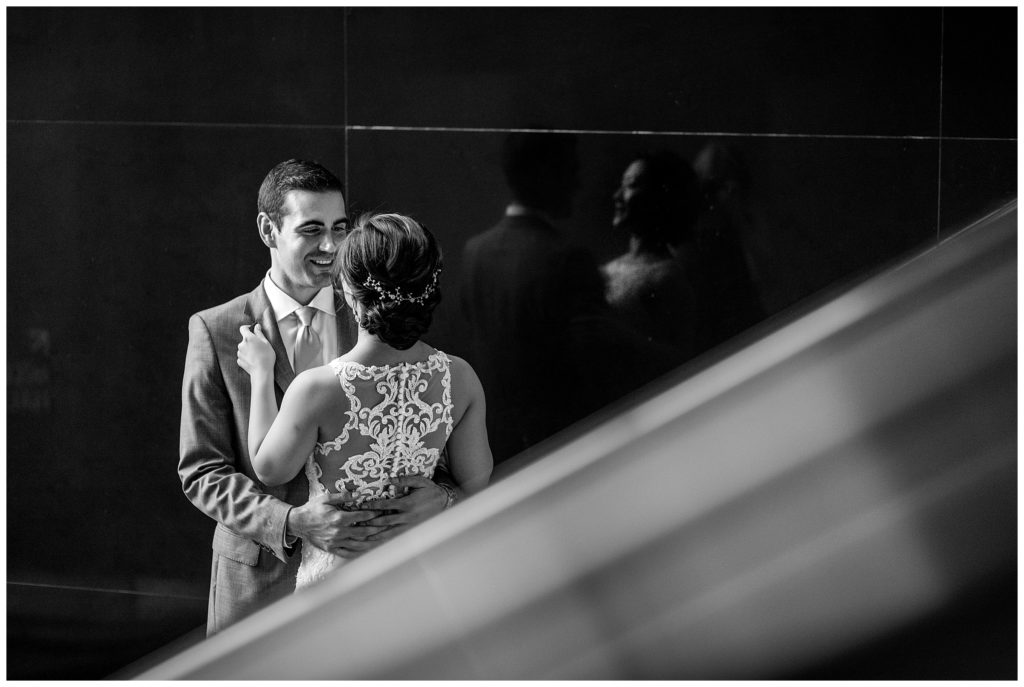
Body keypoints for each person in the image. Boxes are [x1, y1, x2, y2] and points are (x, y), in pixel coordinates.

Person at [179, 160, 457, 634]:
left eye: (339, 228)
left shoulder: (381, 317)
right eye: (311, 230)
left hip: (374, 588)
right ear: (269, 229)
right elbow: (201, 470)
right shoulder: (216, 330)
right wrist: (290, 521)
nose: (331, 246)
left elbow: (430, 439)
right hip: (257, 585)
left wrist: (444, 499)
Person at [237, 212, 492, 589]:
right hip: (421, 579)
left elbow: (269, 469)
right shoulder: (460, 377)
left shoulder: (316, 389)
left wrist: (261, 374)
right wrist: (443, 499)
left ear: (350, 293)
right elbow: (478, 483)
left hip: (339, 588)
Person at [602, 151, 706, 359]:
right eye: (620, 185)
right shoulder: (609, 268)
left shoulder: (667, 278)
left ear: (658, 197)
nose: (617, 196)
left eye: (631, 185)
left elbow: (679, 359)